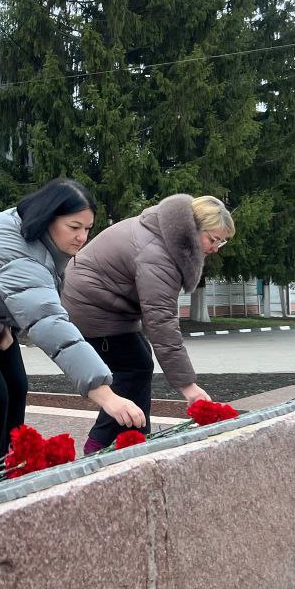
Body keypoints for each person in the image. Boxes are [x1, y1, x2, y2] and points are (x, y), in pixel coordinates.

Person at [0, 178, 144, 475]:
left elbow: (16, 294)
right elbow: (48, 321)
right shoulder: (14, 246)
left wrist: (7, 323)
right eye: (74, 227)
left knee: (16, 388)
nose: (82, 237)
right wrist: (105, 394)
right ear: (48, 218)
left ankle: (8, 469)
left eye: (87, 228)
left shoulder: (36, 236)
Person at [61, 194, 235, 454]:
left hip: (105, 303)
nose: (215, 248)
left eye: (222, 242)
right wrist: (188, 387)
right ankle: (96, 447)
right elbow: (161, 322)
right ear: (193, 228)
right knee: (131, 368)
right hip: (89, 306)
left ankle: (136, 439)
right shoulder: (159, 253)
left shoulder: (165, 232)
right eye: (213, 239)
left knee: (139, 362)